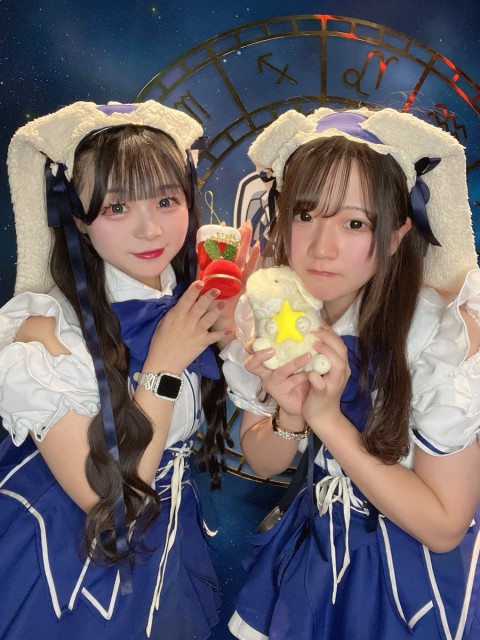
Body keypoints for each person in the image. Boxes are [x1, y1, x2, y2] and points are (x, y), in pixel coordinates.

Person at [220, 107, 480, 639]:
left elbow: (443, 526)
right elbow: (264, 460)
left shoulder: (442, 335)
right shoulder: (267, 312)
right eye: (305, 215)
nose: (322, 247)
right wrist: (291, 413)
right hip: (317, 560)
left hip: (414, 582)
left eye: (355, 223)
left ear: (396, 234)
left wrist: (327, 419)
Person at [0, 100, 256, 640]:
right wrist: (163, 364)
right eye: (116, 207)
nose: (150, 229)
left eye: (166, 200)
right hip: (68, 567)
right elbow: (107, 502)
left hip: (163, 556)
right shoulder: (44, 332)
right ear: (78, 219)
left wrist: (233, 330)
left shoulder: (187, 306)